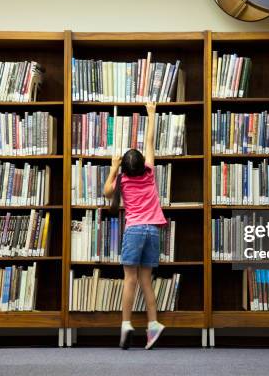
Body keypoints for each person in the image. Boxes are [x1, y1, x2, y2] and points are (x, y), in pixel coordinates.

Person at [103, 102, 167, 350]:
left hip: (135, 230)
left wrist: (113, 168)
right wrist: (151, 114)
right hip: (153, 231)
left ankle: (127, 323)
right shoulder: (150, 172)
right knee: (146, 281)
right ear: (142, 164)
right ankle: (153, 326)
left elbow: (107, 192)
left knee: (129, 279)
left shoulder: (122, 181)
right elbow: (150, 142)